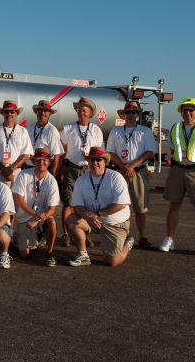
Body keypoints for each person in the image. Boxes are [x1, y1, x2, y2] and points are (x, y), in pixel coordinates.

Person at [160, 97, 195, 256]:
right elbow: (172, 149)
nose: (188, 113)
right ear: (181, 113)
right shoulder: (175, 128)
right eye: (185, 110)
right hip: (178, 170)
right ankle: (169, 239)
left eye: (191, 110)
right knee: (174, 205)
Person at [65, 147, 134, 267]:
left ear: (104, 162)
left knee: (113, 262)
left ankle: (127, 244)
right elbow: (77, 205)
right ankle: (83, 255)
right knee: (71, 220)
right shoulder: (81, 180)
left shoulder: (115, 177)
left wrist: (97, 214)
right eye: (92, 160)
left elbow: (121, 204)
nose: (95, 163)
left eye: (98, 160)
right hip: (91, 219)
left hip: (114, 222)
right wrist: (87, 215)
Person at [106, 101, 157, 249]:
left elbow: (149, 152)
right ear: (123, 114)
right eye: (128, 112)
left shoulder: (144, 131)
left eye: (133, 112)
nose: (130, 115)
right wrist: (124, 166)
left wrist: (131, 166)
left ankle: (143, 237)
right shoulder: (115, 131)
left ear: (137, 114)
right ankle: (121, 236)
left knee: (140, 208)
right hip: (120, 172)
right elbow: (110, 152)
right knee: (119, 206)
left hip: (138, 172)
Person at [59, 97, 104, 247]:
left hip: (89, 170)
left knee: (86, 205)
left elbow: (100, 153)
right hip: (72, 168)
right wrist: (60, 170)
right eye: (79, 109)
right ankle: (66, 234)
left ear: (90, 113)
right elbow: (62, 151)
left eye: (84, 109)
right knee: (68, 203)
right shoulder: (68, 128)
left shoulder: (96, 130)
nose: (81, 111)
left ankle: (84, 233)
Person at [11, 148, 61, 266]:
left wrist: (38, 219)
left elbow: (52, 209)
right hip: (26, 217)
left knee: (52, 222)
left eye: (44, 160)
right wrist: (34, 215)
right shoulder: (24, 175)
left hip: (42, 217)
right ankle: (32, 237)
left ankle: (49, 253)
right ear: (33, 162)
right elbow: (18, 199)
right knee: (24, 255)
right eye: (38, 160)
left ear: (49, 161)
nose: (41, 163)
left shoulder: (52, 181)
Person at [0, 100, 33, 184]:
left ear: (16, 113)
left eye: (12, 112)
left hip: (16, 173)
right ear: (2, 113)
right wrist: (3, 169)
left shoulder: (23, 131)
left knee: (16, 196)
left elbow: (26, 154)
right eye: (6, 112)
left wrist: (10, 169)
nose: (9, 114)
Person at [25, 100, 64, 175]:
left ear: (49, 114)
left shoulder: (52, 131)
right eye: (40, 110)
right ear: (36, 112)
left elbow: (56, 156)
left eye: (45, 111)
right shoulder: (28, 128)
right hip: (27, 168)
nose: (42, 113)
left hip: (43, 170)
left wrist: (52, 173)